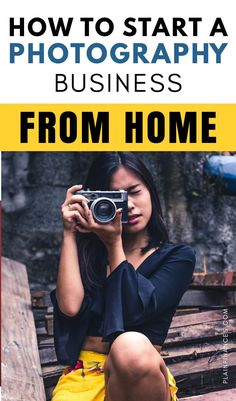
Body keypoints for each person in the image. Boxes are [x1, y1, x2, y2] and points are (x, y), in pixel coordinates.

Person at [51, 152, 196, 401]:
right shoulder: (90, 254)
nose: (128, 204)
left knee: (129, 345)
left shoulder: (177, 257)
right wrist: (69, 233)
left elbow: (133, 311)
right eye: (116, 197)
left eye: (134, 191)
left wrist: (114, 244)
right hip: (84, 377)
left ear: (151, 190)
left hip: (139, 380)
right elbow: (70, 308)